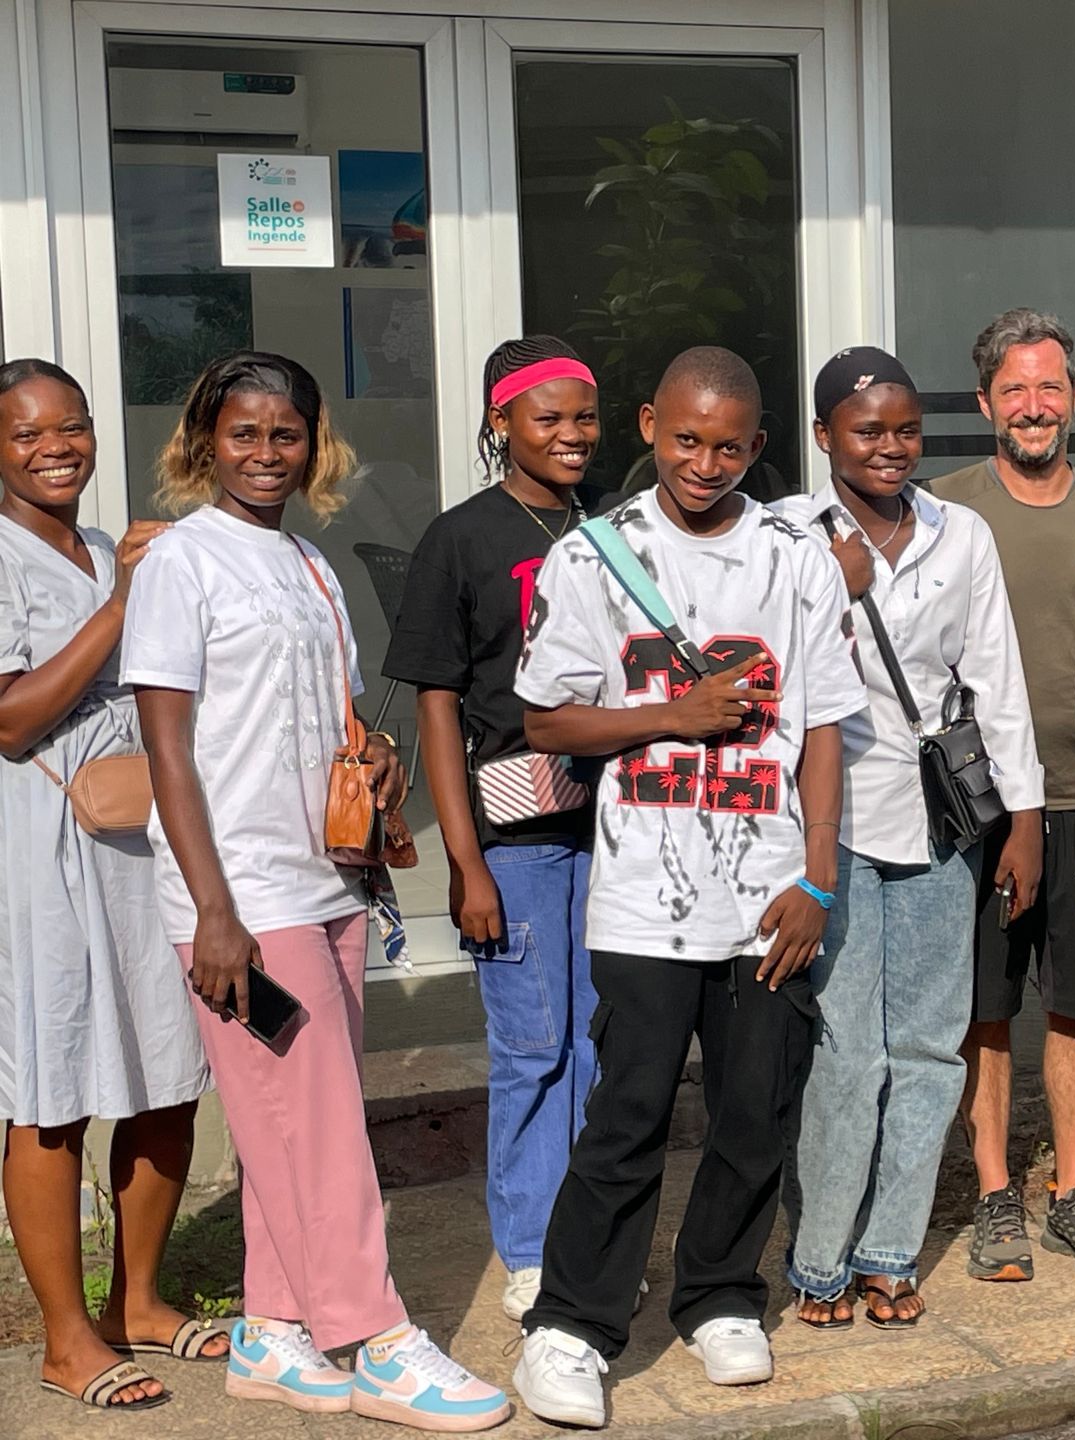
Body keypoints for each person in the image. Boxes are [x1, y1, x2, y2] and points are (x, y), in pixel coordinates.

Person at [124, 351, 509, 1430]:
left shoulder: (309, 563)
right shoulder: (180, 564)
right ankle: (375, 1339)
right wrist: (213, 910)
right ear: (205, 442)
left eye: (284, 434)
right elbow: (167, 748)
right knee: (324, 1125)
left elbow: (317, 713)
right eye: (242, 433)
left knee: (292, 1122)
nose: (264, 453)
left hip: (328, 883)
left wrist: (373, 754)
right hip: (243, 897)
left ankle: (273, 1330)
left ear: (313, 443)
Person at [509, 346, 865, 1425]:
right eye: (685, 440)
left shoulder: (794, 557)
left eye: (729, 446)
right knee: (628, 1114)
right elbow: (545, 721)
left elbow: (822, 728)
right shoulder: (592, 558)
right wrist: (674, 714)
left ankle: (718, 1294)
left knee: (755, 1111)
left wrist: (819, 875)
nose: (705, 463)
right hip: (641, 900)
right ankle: (571, 1325)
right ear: (648, 428)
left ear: (759, 446)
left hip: (769, 894)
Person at [776, 347, 1044, 1330]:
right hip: (827, 825)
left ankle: (890, 1251)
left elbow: (995, 680)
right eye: (866, 432)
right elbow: (765, 672)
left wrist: (1023, 819)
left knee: (930, 1046)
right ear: (823, 437)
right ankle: (819, 1260)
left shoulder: (957, 532)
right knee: (847, 1049)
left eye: (905, 430)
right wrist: (829, 586)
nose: (889, 448)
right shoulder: (785, 535)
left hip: (937, 821)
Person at [0, 359, 215, 1413]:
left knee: (168, 1073)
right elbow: (10, 719)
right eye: (28, 434)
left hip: (144, 843)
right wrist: (126, 604)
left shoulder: (105, 544)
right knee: (52, 1092)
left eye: (72, 427)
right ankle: (65, 1337)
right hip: (42, 851)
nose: (56, 448)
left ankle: (138, 1301)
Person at [383, 336, 607, 1323]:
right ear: (501, 422)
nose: (570, 435)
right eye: (547, 417)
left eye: (584, 417)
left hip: (618, 828)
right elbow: (437, 705)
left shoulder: (613, 525)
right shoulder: (462, 538)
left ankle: (589, 1242)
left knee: (600, 1043)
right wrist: (463, 861)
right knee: (533, 1043)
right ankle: (531, 1250)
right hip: (515, 838)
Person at [930, 309, 1075, 1281]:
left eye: (1049, 386)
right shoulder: (944, 510)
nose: (1033, 405)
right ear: (985, 403)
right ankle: (993, 1195)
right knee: (984, 1008)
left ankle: (1073, 1191)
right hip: (975, 805)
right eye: (1014, 388)